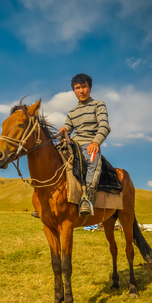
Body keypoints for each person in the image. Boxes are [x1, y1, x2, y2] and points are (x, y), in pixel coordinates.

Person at [59, 73, 111, 216]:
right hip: (74, 144)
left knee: (91, 158)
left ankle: (86, 199)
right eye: (77, 88)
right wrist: (64, 131)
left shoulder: (98, 104)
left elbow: (104, 126)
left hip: (90, 144)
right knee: (53, 156)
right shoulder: (72, 112)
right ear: (74, 90)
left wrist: (95, 142)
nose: (81, 91)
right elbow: (68, 128)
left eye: (83, 87)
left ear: (90, 88)